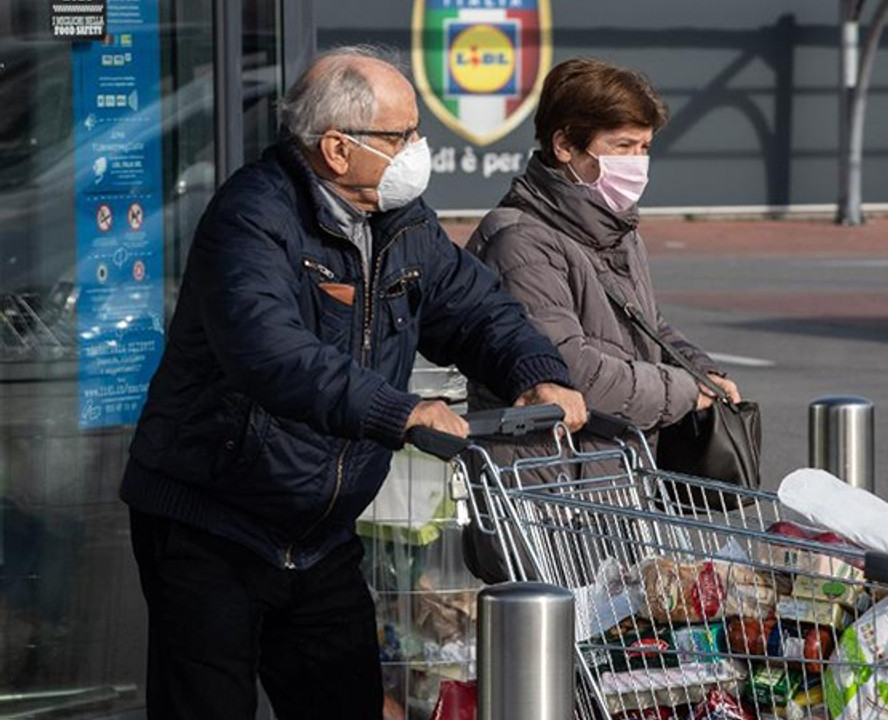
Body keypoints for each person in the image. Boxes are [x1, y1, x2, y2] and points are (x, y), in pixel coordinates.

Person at [119, 46, 586, 720]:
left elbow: (476, 308)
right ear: (338, 149)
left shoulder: (403, 223)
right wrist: (401, 413)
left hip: (318, 535)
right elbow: (270, 352)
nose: (418, 149)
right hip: (213, 522)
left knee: (346, 700)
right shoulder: (252, 217)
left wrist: (535, 372)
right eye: (402, 136)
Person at [461, 57, 743, 582]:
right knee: (558, 655)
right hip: (546, 502)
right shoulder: (520, 240)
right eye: (621, 147)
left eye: (644, 149)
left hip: (612, 489)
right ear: (564, 145)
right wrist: (683, 391)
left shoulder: (616, 228)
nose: (637, 164)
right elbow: (569, 369)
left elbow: (647, 323)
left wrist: (702, 371)